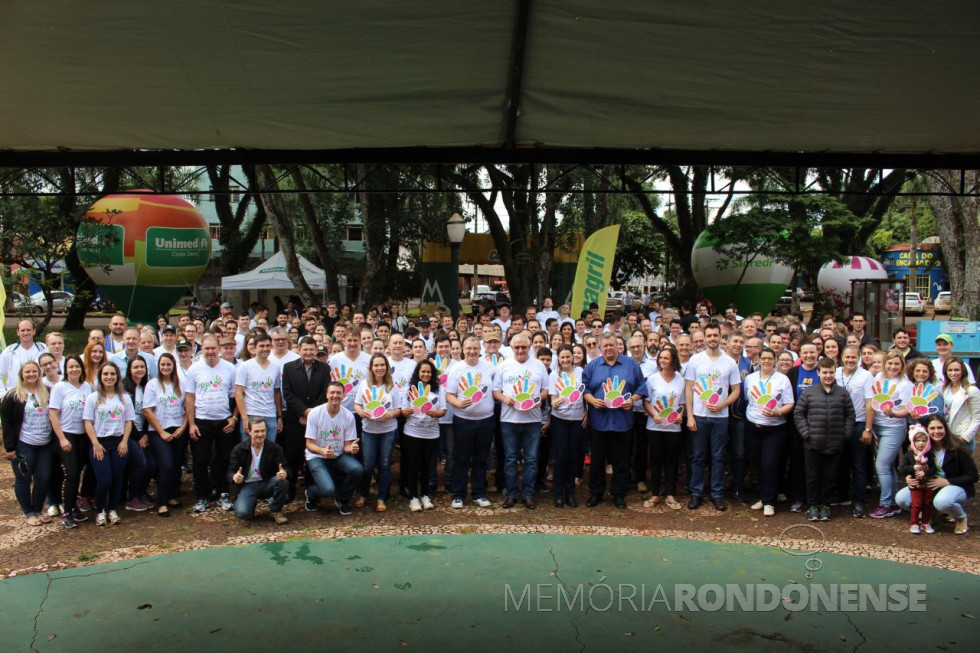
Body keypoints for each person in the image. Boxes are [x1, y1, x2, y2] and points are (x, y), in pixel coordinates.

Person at [583, 332, 646, 509]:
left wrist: (632, 400)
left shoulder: (631, 365)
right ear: (601, 347)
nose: (609, 348)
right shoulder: (592, 366)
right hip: (599, 420)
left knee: (621, 460)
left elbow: (641, 388)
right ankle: (596, 493)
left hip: (622, 420)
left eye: (612, 345)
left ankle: (619, 494)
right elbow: (584, 389)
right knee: (597, 460)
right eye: (606, 345)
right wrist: (592, 401)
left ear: (619, 346)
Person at [684, 323, 741, 512]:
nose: (712, 339)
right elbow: (689, 389)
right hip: (699, 416)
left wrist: (721, 405)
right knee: (698, 456)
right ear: (705, 338)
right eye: (709, 336)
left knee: (718, 457)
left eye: (715, 335)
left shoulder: (729, 362)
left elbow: (736, 391)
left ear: (720, 337)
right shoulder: (695, 360)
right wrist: (690, 416)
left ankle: (717, 494)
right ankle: (696, 493)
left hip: (721, 417)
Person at [493, 334, 550, 509]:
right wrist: (504, 399)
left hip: (532, 420)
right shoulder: (504, 366)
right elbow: (495, 390)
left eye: (523, 347)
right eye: (516, 347)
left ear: (530, 347)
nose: (520, 350)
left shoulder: (539, 365)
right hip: (509, 419)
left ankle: (528, 494)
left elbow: (546, 390)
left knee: (531, 459)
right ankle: (511, 494)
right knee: (510, 459)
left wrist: (538, 398)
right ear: (511, 348)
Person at [794, 357, 855, 522]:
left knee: (829, 476)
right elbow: (799, 414)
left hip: (835, 443)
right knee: (813, 476)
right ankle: (813, 505)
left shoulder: (842, 393)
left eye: (831, 372)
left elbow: (850, 415)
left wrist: (845, 435)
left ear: (835, 373)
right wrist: (807, 433)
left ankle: (825, 505)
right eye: (825, 372)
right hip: (813, 443)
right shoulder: (809, 392)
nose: (828, 375)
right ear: (818, 373)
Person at [185, 333, 238, 513]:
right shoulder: (194, 369)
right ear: (202, 349)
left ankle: (223, 493)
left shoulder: (229, 368)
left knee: (223, 460)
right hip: (201, 421)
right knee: (200, 461)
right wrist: (191, 423)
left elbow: (235, 396)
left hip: (224, 421)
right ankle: (202, 496)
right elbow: (190, 397)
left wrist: (234, 417)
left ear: (219, 349)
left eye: (213, 348)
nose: (210, 352)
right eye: (206, 348)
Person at [896, 414, 976, 535]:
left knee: (943, 501)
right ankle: (932, 513)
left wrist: (946, 481)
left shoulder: (957, 448)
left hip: (955, 487)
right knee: (901, 499)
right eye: (932, 428)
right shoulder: (921, 449)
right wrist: (909, 477)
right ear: (926, 430)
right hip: (928, 486)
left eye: (940, 428)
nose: (936, 432)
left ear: (945, 429)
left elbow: (973, 475)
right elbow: (906, 467)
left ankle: (960, 517)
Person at [446, 336, 497, 509]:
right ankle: (458, 494)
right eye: (468, 348)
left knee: (481, 458)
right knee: (461, 458)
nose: (472, 352)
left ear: (480, 349)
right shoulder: (456, 369)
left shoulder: (490, 368)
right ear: (462, 349)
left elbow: (496, 390)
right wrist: (458, 404)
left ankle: (479, 493)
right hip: (463, 421)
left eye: (475, 348)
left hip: (486, 420)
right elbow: (449, 395)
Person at [1, 361, 54, 526]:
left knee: (43, 477)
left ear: (39, 374)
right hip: (24, 443)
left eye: (34, 371)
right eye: (27, 372)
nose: (31, 374)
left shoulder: (48, 392)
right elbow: (7, 423)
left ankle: (38, 509)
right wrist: (9, 447)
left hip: (45, 443)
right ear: (21, 375)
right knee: (23, 477)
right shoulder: (12, 396)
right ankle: (29, 512)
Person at [82, 362, 135, 526]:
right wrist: (95, 443)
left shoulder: (125, 398)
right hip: (100, 443)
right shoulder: (93, 398)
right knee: (104, 480)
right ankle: (100, 510)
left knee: (117, 479)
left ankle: (112, 509)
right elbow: (88, 422)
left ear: (117, 377)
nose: (109, 377)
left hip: (118, 442)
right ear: (100, 377)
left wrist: (125, 441)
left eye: (112, 374)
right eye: (105, 374)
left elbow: (128, 421)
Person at [744, 347, 795, 516]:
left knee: (770, 464)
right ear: (758, 360)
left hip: (775, 429)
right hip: (753, 427)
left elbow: (789, 403)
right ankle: (763, 497)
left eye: (770, 358)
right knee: (758, 464)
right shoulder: (750, 379)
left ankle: (770, 502)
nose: (766, 361)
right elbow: (747, 399)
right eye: (763, 358)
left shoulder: (782, 379)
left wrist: (777, 412)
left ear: (775, 361)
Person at [303, 382, 363, 515]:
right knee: (328, 490)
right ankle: (311, 493)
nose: (335, 396)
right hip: (316, 456)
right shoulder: (315, 413)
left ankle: (342, 499)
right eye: (332, 392)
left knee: (357, 469)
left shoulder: (348, 416)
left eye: (338, 393)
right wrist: (323, 451)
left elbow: (347, 445)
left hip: (337, 455)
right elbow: (309, 444)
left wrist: (351, 448)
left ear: (344, 395)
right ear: (326, 395)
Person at [354, 354, 402, 512]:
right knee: (367, 465)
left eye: (382, 365)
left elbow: (398, 409)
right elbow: (357, 405)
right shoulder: (364, 385)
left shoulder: (392, 386)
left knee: (384, 464)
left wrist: (392, 414)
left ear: (387, 367)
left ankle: (381, 498)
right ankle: (363, 493)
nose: (379, 368)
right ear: (371, 368)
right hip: (369, 431)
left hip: (388, 431)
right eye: (376, 365)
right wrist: (361, 413)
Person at [868, 351, 913, 519]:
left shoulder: (904, 384)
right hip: (878, 426)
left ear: (902, 366)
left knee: (881, 465)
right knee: (888, 467)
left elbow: (906, 410)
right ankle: (893, 501)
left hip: (893, 428)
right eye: (890, 363)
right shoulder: (879, 377)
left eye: (896, 364)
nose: (893, 367)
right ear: (884, 364)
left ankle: (885, 503)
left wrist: (893, 413)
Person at [642, 347, 686, 510]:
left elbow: (681, 403)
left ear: (673, 360)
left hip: (673, 428)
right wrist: (654, 415)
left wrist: (680, 415)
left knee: (671, 461)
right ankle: (654, 494)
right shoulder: (652, 379)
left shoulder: (680, 380)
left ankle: (670, 494)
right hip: (654, 427)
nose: (662, 361)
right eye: (661, 358)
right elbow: (646, 401)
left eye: (666, 358)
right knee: (655, 460)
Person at [142, 353, 186, 517]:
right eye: (163, 365)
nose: (166, 367)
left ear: (173, 366)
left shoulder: (181, 383)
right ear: (158, 367)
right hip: (159, 431)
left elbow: (188, 406)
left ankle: (172, 496)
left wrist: (183, 427)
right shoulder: (153, 385)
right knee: (166, 465)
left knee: (176, 465)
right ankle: (161, 502)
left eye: (169, 364)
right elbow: (147, 410)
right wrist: (161, 431)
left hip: (178, 429)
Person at [835, 345, 875, 518]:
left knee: (858, 465)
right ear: (842, 357)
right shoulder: (835, 373)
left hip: (858, 424)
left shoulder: (866, 376)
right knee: (839, 462)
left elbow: (869, 403)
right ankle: (842, 495)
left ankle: (859, 502)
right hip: (837, 424)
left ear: (858, 358)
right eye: (847, 357)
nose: (850, 360)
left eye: (853, 357)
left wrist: (868, 428)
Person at [400, 360, 445, 512]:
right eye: (423, 371)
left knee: (427, 466)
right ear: (417, 373)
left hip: (431, 434)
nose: (426, 374)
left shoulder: (439, 390)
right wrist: (405, 412)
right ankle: (413, 497)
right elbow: (403, 410)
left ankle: (425, 495)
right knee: (414, 465)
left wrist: (437, 413)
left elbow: (443, 410)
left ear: (432, 374)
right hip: (412, 432)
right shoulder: (410, 390)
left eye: (429, 372)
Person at [228, 418, 289, 524]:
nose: (260, 434)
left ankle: (276, 511)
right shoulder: (239, 449)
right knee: (243, 514)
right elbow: (230, 472)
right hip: (248, 485)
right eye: (256, 431)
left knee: (282, 482)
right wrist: (235, 477)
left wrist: (284, 473)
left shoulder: (274, 448)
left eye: (263, 431)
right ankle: (250, 503)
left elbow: (286, 468)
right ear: (249, 432)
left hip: (266, 482)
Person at [549, 345, 586, 508]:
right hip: (560, 420)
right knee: (561, 457)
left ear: (573, 357)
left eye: (568, 357)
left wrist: (588, 412)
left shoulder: (581, 372)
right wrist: (555, 402)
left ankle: (570, 494)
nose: (565, 360)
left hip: (577, 420)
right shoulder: (553, 375)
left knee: (573, 457)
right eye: (562, 357)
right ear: (558, 359)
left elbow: (586, 394)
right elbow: (552, 400)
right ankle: (558, 494)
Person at [234, 332, 283, 443]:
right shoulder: (245, 366)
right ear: (255, 347)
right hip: (251, 414)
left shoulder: (275, 367)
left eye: (267, 346)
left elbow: (277, 393)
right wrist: (244, 418)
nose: (265, 349)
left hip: (270, 415)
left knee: (269, 451)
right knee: (248, 451)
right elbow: (238, 393)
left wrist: (279, 416)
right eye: (261, 346)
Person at [122, 357, 152, 512]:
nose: (139, 370)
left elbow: (149, 412)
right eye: (136, 367)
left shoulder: (147, 386)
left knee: (151, 464)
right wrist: (139, 435)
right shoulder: (124, 387)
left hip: (144, 432)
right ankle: (132, 497)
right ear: (130, 369)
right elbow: (127, 416)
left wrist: (145, 433)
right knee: (141, 463)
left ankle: (141, 492)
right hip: (130, 434)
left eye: (142, 367)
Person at [902, 424, 937, 534]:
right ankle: (914, 523)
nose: (921, 443)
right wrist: (912, 468)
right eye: (918, 441)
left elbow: (934, 469)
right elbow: (903, 468)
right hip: (915, 484)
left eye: (923, 441)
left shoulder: (929, 455)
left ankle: (925, 523)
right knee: (916, 504)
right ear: (913, 442)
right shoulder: (909, 455)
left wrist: (925, 472)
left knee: (927, 504)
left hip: (928, 484)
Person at [942, 357, 980, 452]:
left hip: (961, 437)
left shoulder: (971, 391)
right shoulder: (943, 389)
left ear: (963, 371)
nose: (953, 373)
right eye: (950, 370)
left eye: (957, 370)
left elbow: (977, 418)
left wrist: (965, 437)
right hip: (945, 436)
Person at [0, 319, 48, 395]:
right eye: (23, 330)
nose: (26, 333)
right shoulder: (9, 352)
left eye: (28, 330)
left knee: (41, 407)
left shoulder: (44, 349)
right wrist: (2, 395)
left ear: (34, 331)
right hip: (15, 396)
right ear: (18, 332)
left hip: (39, 396)